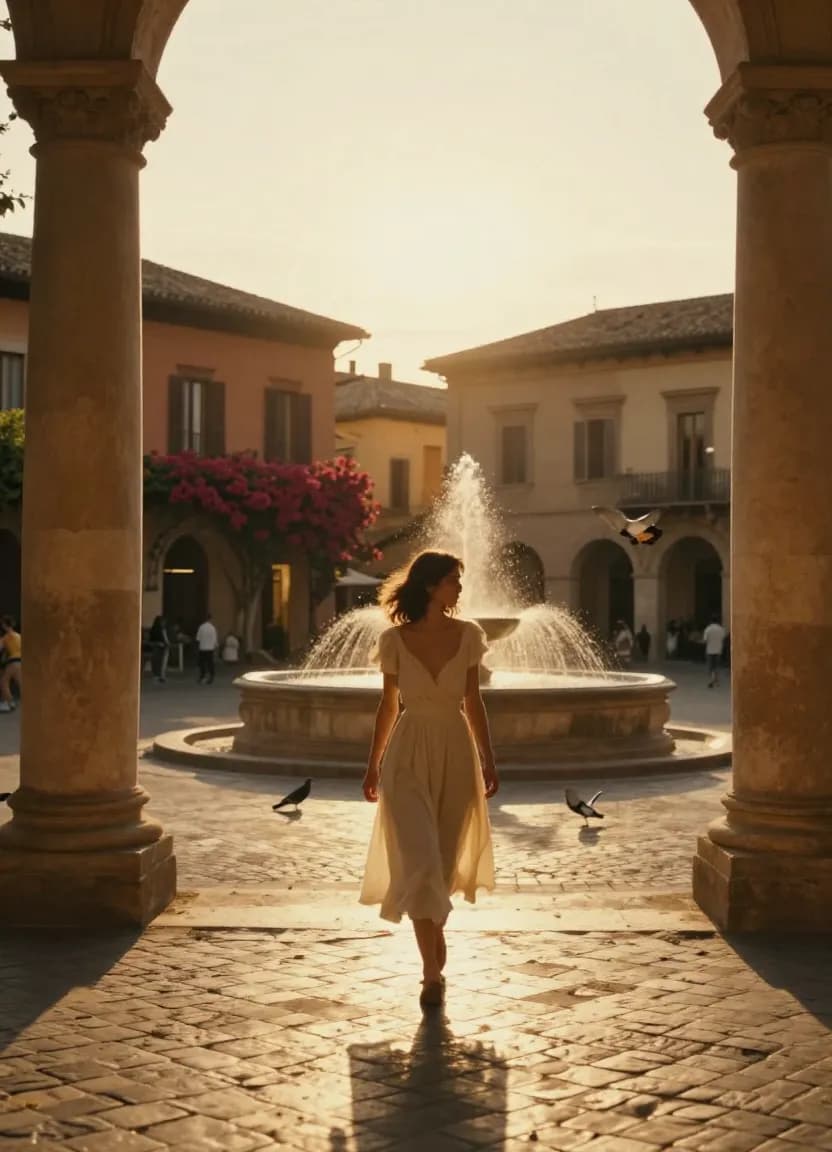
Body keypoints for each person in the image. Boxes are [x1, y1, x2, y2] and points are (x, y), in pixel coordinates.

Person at [359, 550, 498, 1009]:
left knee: (442, 864)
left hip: (456, 752)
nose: (459, 588)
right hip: (406, 755)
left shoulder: (470, 635)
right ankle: (431, 975)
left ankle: (433, 943)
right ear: (430, 585)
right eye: (453, 580)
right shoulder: (394, 640)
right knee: (419, 863)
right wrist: (373, 763)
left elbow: (474, 701)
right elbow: (388, 705)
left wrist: (489, 759)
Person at [0, 616, 21, 712]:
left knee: (3, 682)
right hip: (20, 661)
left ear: (5, 625)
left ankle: (9, 703)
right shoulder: (19, 636)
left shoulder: (6, 637)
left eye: (2, 624)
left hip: (13, 661)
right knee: (20, 682)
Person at [703, 614, 727, 687]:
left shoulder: (708, 629)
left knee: (710, 666)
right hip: (718, 650)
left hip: (710, 650)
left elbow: (705, 640)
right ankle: (716, 681)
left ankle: (711, 680)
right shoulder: (721, 629)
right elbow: (723, 638)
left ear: (711, 621)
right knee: (716, 666)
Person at [196, 613, 218, 684]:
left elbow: (198, 639)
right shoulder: (212, 628)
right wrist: (215, 647)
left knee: (202, 663)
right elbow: (214, 639)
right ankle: (211, 676)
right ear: (210, 619)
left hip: (202, 648)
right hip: (210, 648)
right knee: (210, 663)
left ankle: (202, 676)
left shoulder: (201, 627)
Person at [149, 615, 170, 683]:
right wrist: (159, 643)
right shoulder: (155, 630)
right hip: (157, 647)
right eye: (163, 622)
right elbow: (152, 640)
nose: (164, 623)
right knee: (157, 662)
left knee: (163, 662)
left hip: (164, 647)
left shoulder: (164, 629)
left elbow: (166, 638)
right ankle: (157, 675)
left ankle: (162, 675)